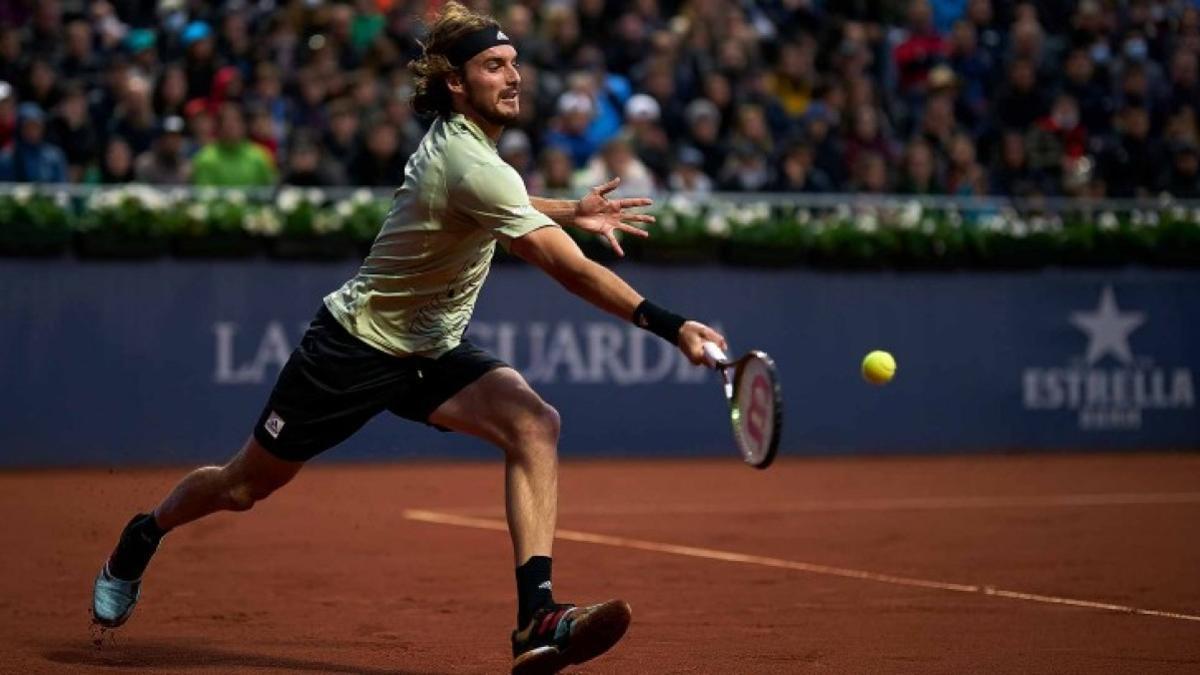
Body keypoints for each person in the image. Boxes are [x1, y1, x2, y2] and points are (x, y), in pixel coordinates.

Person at [91, 4, 727, 675]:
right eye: (493, 66)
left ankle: (536, 616)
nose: (513, 78)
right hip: (353, 348)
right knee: (242, 486)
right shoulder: (467, 161)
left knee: (534, 423)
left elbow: (504, 198)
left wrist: (571, 208)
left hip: (430, 348)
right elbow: (567, 267)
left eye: (514, 64)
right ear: (456, 83)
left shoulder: (478, 156)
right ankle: (145, 531)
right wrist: (671, 324)